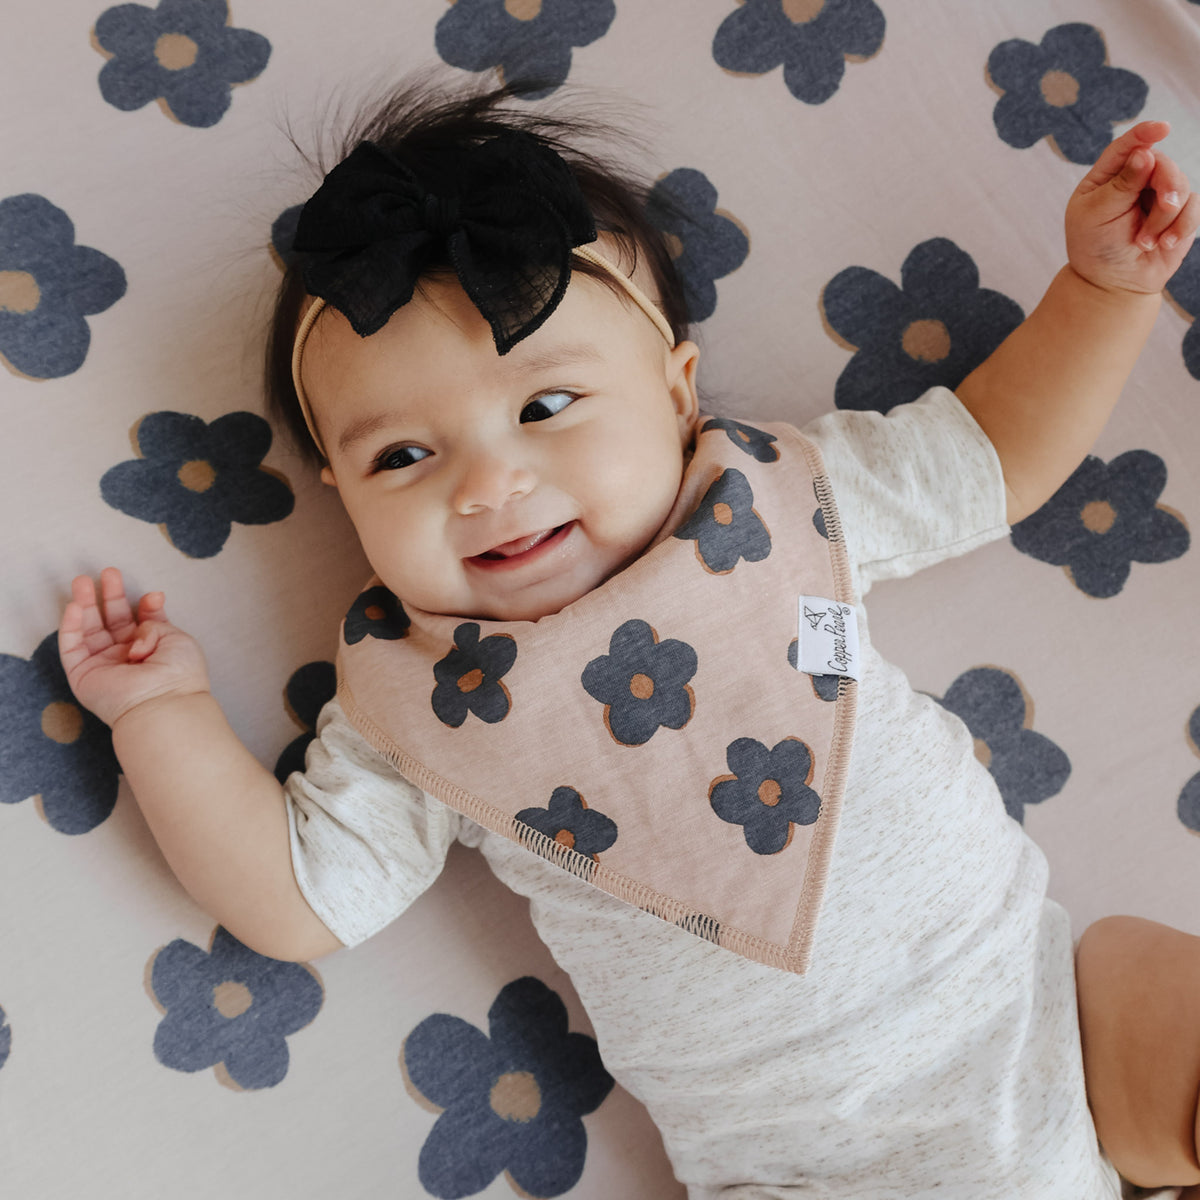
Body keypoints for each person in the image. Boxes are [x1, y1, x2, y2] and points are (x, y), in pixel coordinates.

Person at [57, 80, 1200, 1197]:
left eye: (546, 407)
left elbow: (993, 455)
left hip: (1041, 1005)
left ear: (677, 394)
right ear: (337, 495)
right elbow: (296, 898)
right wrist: (160, 715)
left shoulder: (786, 502)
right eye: (402, 457)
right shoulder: (417, 704)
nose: (490, 485)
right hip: (803, 1161)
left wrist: (1102, 291)